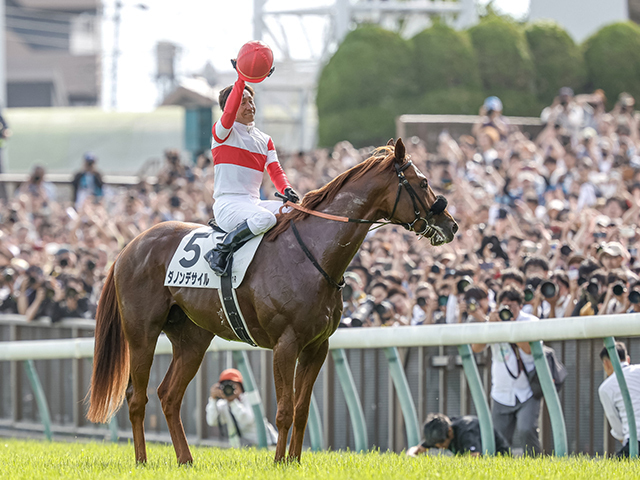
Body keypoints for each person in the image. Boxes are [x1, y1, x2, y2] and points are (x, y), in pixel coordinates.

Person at [204, 62, 300, 275]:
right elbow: (229, 112)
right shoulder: (222, 132)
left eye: (251, 101)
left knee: (296, 212)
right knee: (266, 219)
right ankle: (220, 251)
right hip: (228, 205)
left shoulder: (264, 140)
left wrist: (286, 190)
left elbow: (276, 171)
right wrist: (242, 77)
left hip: (252, 203)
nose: (250, 106)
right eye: (243, 103)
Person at [471, 286, 541, 456]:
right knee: (498, 439)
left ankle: (536, 469)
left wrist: (510, 326)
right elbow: (476, 348)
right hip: (501, 392)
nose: (507, 310)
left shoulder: (530, 321)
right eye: (504, 306)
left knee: (526, 430)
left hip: (527, 390)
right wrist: (490, 325)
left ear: (521, 306)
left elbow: (528, 349)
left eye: (512, 306)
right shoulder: (494, 322)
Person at [206, 368, 276, 447]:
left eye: (233, 385)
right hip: (245, 446)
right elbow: (212, 421)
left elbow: (246, 419)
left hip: (268, 444)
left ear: (241, 386)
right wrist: (212, 400)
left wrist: (233, 402)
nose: (230, 389)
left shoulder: (249, 399)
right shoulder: (223, 405)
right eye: (226, 385)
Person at [598, 342, 640, 458]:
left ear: (606, 364)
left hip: (636, 441)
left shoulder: (606, 388)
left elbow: (616, 424)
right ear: (628, 359)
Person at [407, 413, 510, 457]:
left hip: (499, 457)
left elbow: (474, 457)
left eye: (442, 443)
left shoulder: (466, 431)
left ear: (450, 432)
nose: (440, 447)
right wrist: (410, 457)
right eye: (437, 445)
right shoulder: (439, 434)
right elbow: (416, 449)